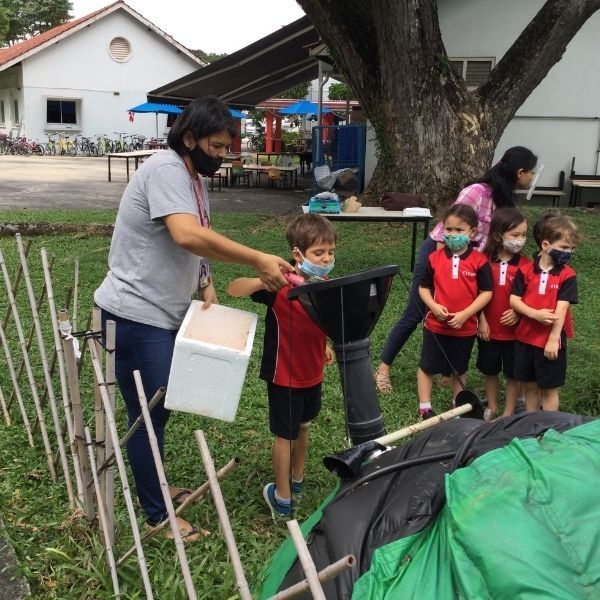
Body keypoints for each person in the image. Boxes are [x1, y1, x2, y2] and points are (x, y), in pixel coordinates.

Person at [94, 96, 293, 541]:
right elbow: (186, 234)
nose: (222, 156)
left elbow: (195, 236)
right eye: (216, 147)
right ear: (189, 139)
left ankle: (159, 492)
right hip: (134, 311)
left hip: (164, 311)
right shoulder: (167, 169)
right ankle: (157, 515)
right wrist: (260, 257)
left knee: (160, 407)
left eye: (227, 148)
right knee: (149, 413)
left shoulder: (192, 177)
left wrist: (205, 284)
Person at [374, 146, 537, 394]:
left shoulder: (504, 201)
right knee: (416, 312)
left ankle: (448, 375)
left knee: (460, 315)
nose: (532, 178)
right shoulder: (476, 192)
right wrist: (442, 271)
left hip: (470, 264)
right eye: (531, 172)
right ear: (520, 172)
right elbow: (447, 229)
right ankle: (383, 369)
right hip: (439, 255)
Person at [227, 213, 336, 523]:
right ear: (297, 255)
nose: (326, 258)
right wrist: (265, 279)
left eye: (330, 252)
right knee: (284, 436)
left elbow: (317, 325)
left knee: (303, 428)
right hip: (284, 377)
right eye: (319, 253)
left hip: (312, 373)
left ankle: (297, 481)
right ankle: (283, 497)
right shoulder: (280, 287)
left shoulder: (324, 285)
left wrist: (324, 345)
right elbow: (235, 288)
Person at [416, 204, 493, 418]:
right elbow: (423, 288)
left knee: (460, 369)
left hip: (465, 328)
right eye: (448, 229)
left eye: (459, 230)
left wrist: (465, 314)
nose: (453, 234)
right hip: (435, 325)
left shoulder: (480, 262)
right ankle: (425, 408)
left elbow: (486, 293)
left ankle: (457, 407)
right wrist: (432, 306)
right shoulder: (434, 259)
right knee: (427, 365)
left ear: (473, 232)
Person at [510, 213, 579, 411]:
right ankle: (532, 425)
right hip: (525, 339)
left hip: (550, 341)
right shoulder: (525, 270)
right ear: (546, 245)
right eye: (564, 247)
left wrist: (553, 339)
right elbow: (514, 299)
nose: (568, 252)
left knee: (549, 388)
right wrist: (534, 314)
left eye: (571, 248)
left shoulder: (567, 275)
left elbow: (562, 308)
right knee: (530, 385)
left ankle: (549, 427)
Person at [476, 207, 530, 420]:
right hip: (488, 329)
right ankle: (492, 406)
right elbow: (475, 293)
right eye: (515, 235)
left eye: (524, 235)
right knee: (489, 370)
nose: (520, 240)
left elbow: (532, 296)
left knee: (513, 374)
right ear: (498, 235)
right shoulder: (482, 261)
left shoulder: (527, 265)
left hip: (515, 334)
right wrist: (481, 320)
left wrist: (519, 313)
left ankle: (508, 412)